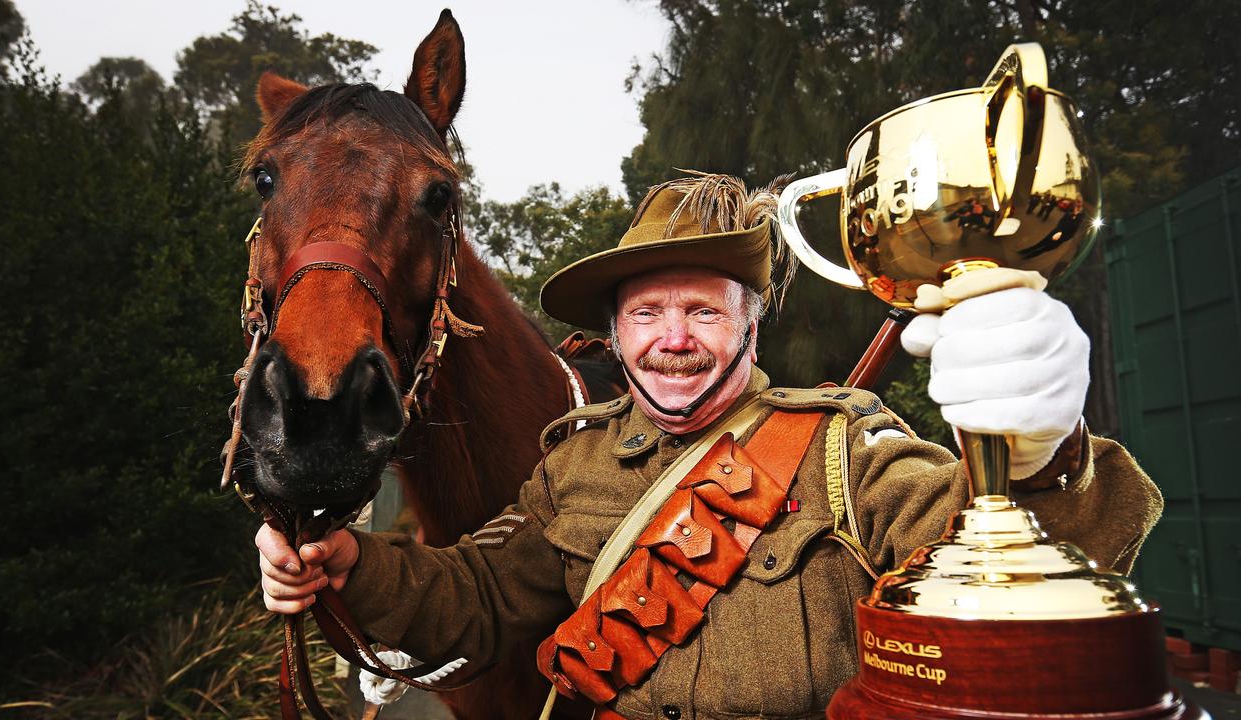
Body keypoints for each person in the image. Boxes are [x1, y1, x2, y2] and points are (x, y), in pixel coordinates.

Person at [256, 173, 1162, 719]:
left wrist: (1042, 454)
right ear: (616, 336)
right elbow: (482, 597)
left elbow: (1012, 565)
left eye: (702, 310)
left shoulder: (846, 448)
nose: (673, 338)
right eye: (647, 312)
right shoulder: (573, 465)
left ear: (750, 331)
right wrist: (349, 565)